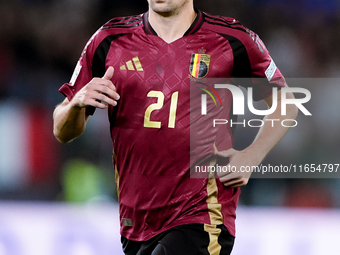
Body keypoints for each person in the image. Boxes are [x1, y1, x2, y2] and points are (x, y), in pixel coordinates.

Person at [53, 0, 298, 254]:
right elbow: (62, 131)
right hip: (135, 221)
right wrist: (76, 104)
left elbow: (286, 102)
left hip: (202, 214)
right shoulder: (109, 40)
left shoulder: (231, 39)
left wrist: (251, 155)